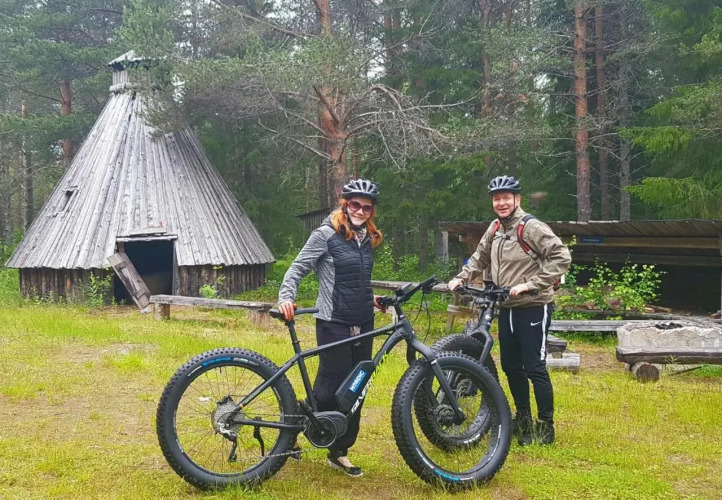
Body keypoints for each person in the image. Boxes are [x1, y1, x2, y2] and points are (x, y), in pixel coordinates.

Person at [448, 175, 571, 446]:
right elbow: (479, 257)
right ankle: (523, 418)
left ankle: (545, 425)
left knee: (535, 367)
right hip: (506, 306)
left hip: (533, 306)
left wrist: (530, 285)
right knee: (511, 366)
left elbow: (561, 256)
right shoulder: (495, 228)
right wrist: (461, 277)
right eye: (497, 199)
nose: (501, 203)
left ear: (517, 199)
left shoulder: (531, 227)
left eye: (506, 198)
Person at [277, 178, 385, 477]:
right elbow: (298, 268)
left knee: (356, 389)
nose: (360, 211)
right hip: (333, 321)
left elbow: (355, 280)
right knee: (329, 390)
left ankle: (339, 452)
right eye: (355, 205)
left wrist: (371, 298)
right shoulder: (325, 234)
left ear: (372, 211)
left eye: (367, 207)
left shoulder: (366, 238)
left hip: (364, 322)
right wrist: (286, 297)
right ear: (345, 204)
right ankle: (291, 431)